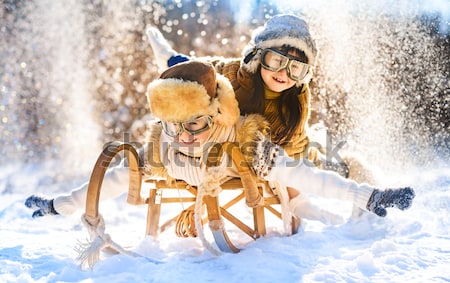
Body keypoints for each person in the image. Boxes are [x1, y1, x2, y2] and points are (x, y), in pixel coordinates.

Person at [25, 61, 415, 228]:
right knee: (125, 169)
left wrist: (366, 197)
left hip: (234, 167)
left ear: (214, 112)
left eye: (194, 123)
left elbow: (308, 176)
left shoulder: (243, 141)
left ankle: (367, 197)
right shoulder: (164, 143)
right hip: (187, 179)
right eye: (172, 125)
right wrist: (59, 206)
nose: (184, 135)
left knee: (299, 175)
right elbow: (109, 181)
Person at [145, 13, 377, 220]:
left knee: (321, 163)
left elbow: (293, 149)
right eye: (276, 61)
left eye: (295, 69)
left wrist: (284, 186)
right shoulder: (232, 74)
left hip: (284, 151)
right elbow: (191, 70)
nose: (283, 74)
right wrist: (166, 54)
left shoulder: (296, 99)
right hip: (236, 147)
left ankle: (355, 175)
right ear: (258, 56)